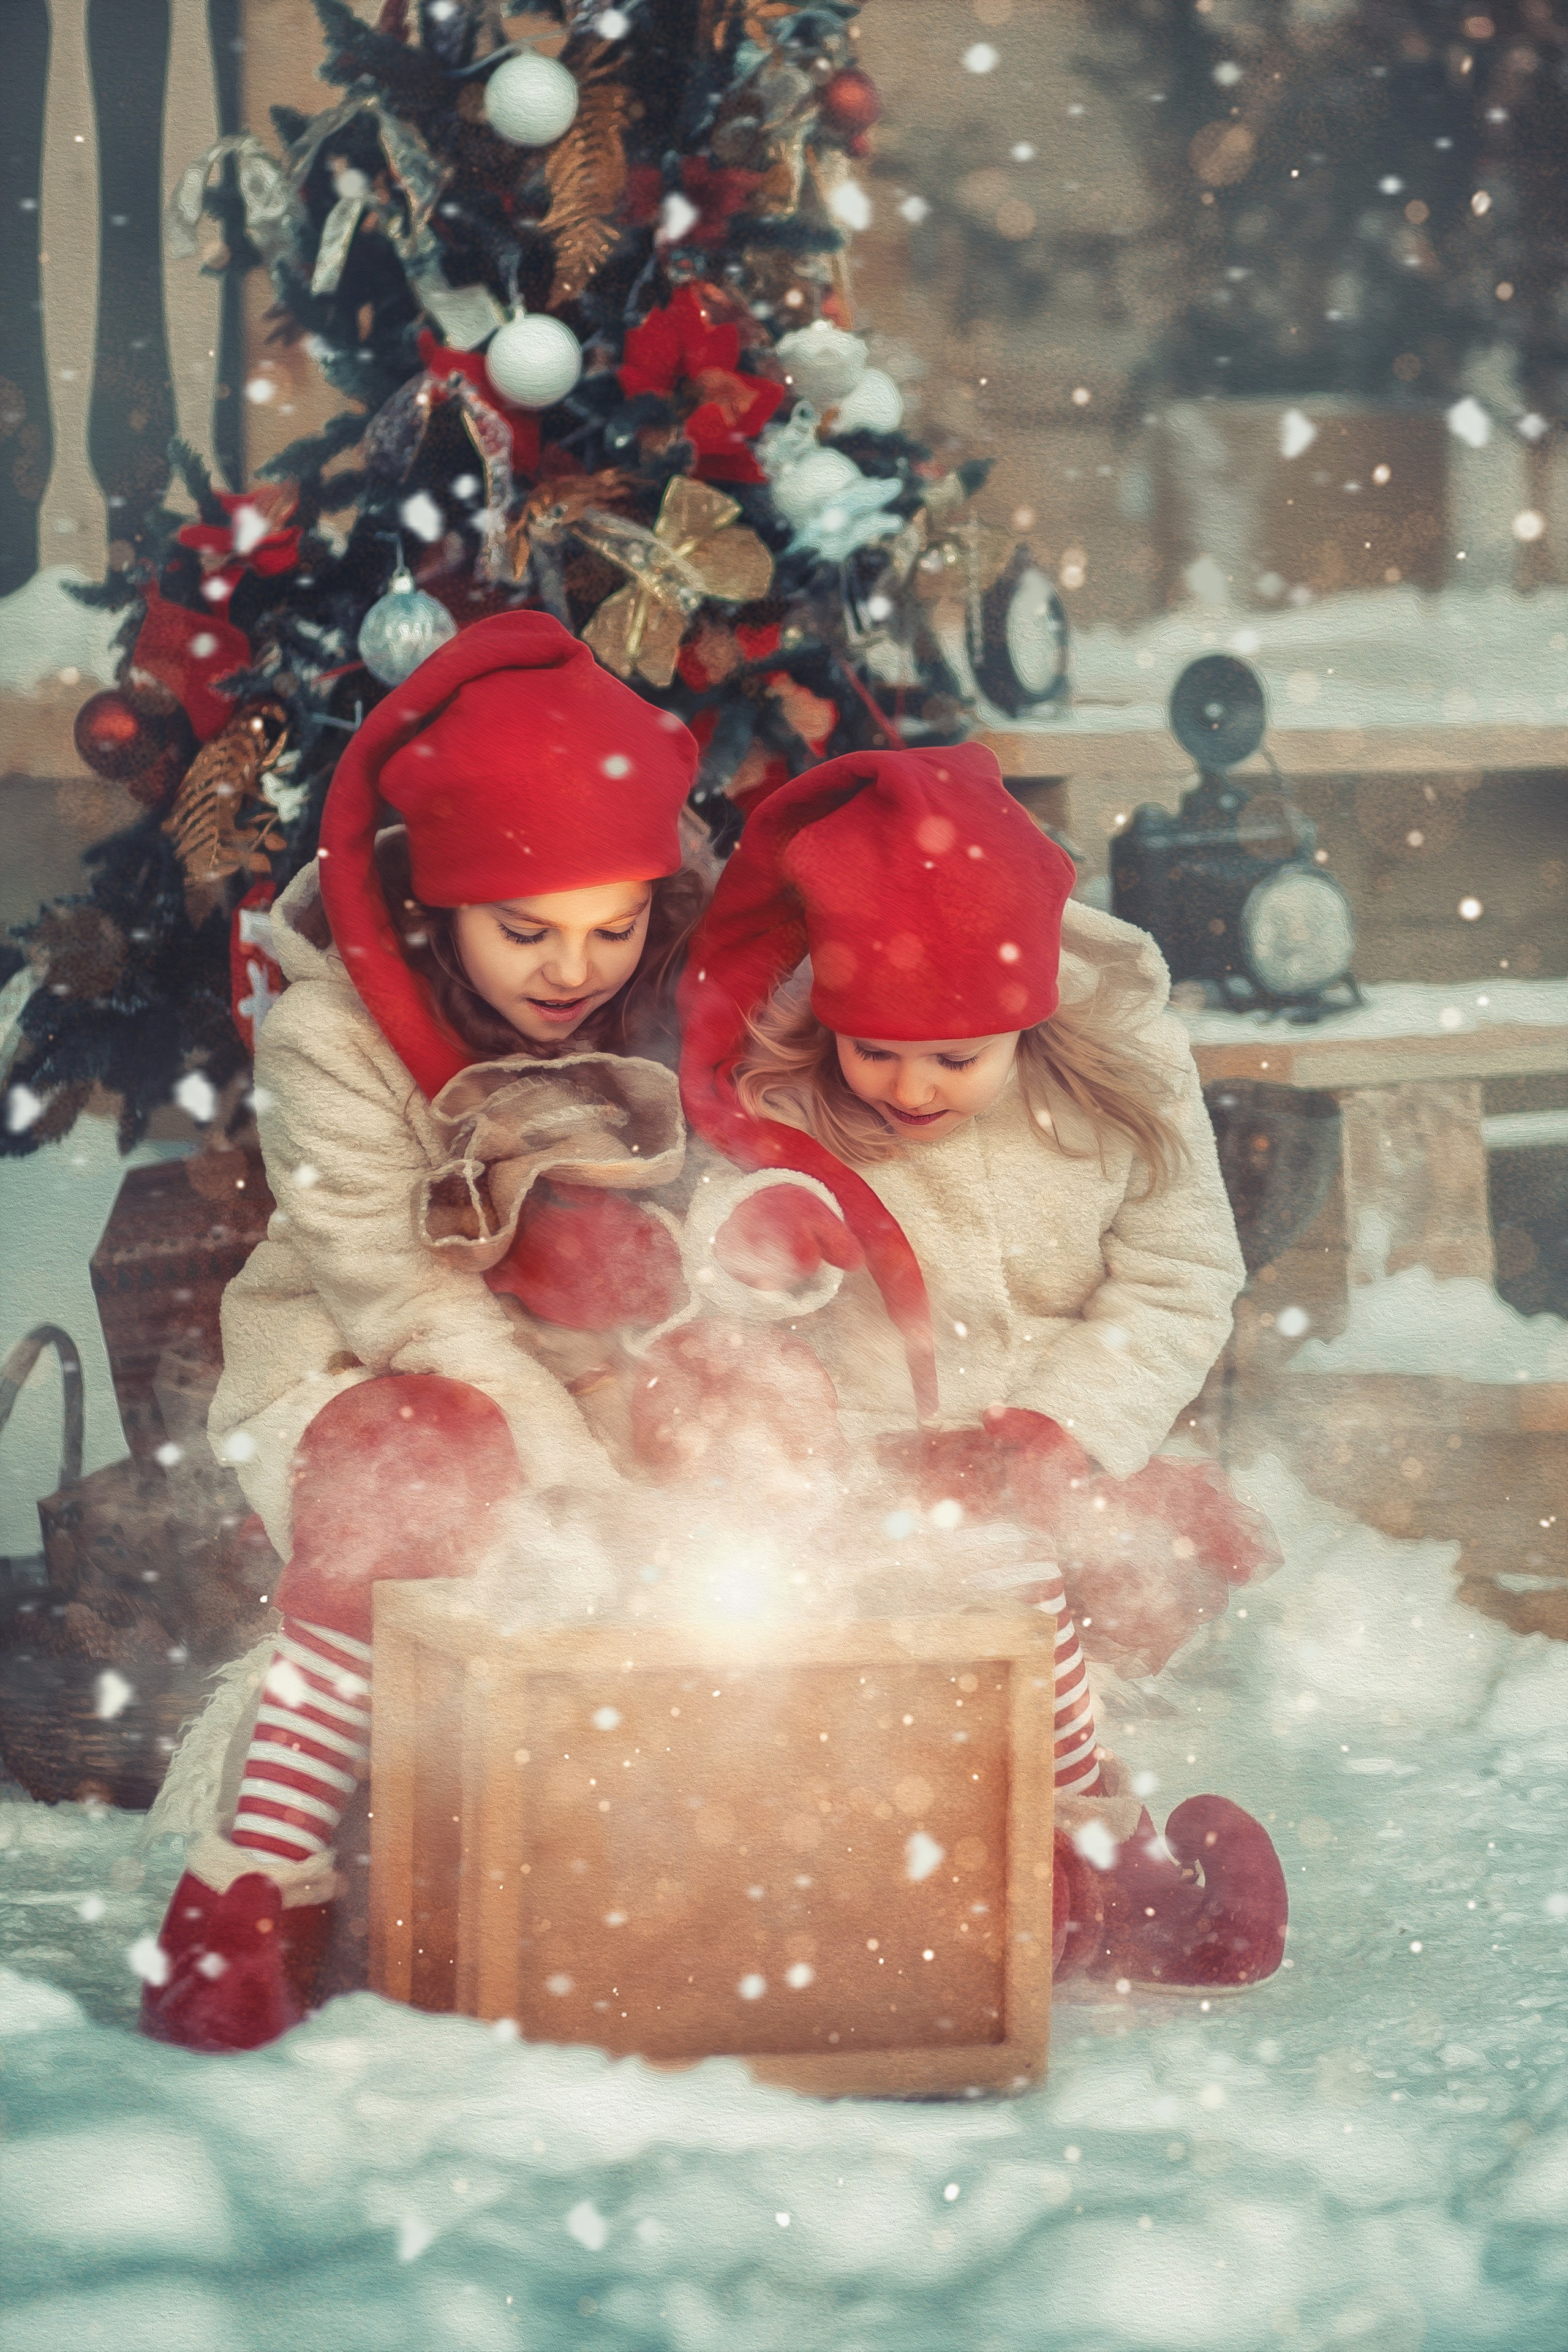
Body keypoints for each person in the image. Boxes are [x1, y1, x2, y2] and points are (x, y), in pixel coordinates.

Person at [142, 612, 713, 2052]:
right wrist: (583, 1487)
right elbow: (408, 1303)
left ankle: (737, 1838)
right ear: (440, 905)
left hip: (606, 1373)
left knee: (743, 1421)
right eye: (524, 931)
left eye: (612, 924)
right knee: (424, 1460)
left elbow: (733, 1214)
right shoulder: (332, 1036)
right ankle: (263, 1872)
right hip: (381, 1372)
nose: (572, 968)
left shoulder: (671, 1006)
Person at [677, 742, 1288, 1991]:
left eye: (954, 1058)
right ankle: (1047, 1863)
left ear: (1028, 1017)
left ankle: (1085, 1854)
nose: (907, 1088)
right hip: (860, 1469)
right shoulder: (792, 1087)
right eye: (875, 1052)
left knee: (1031, 1579)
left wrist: (1063, 1425)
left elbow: (1180, 1280)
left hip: (1056, 1449)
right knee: (920, 1625)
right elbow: (728, 1250)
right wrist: (757, 1251)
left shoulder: (1123, 1083)